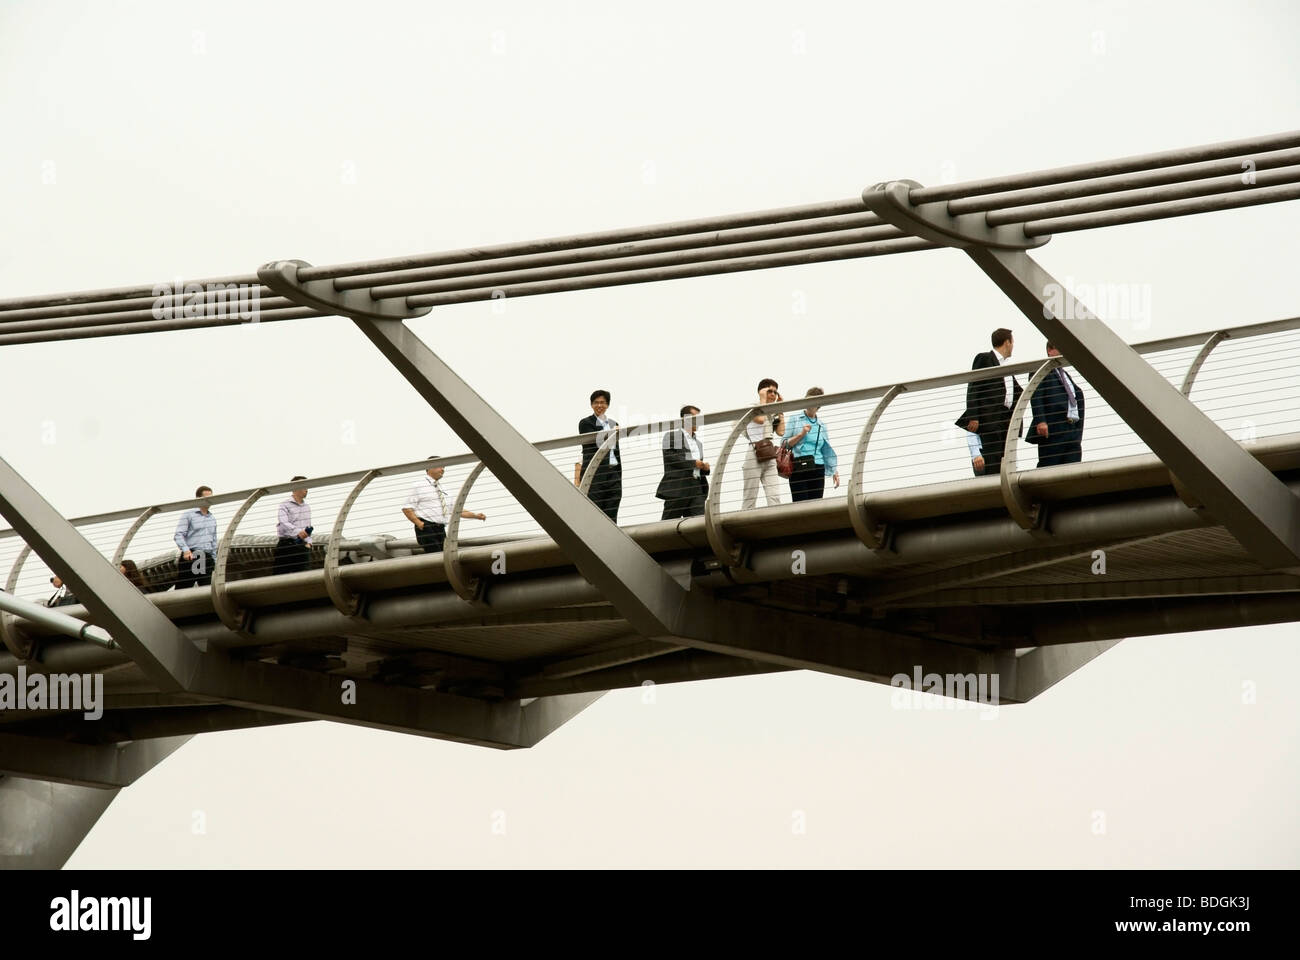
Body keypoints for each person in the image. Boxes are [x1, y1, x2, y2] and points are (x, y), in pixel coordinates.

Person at [956, 327, 1023, 476]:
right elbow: (974, 386)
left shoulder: (1006, 367)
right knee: (992, 466)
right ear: (1007, 342)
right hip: (990, 421)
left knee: (1005, 465)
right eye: (1012, 342)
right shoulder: (985, 358)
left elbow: (1017, 393)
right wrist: (973, 415)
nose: (1013, 346)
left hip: (1004, 423)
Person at [402, 456, 487, 554]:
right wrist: (420, 524)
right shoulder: (418, 485)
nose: (442, 469)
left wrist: (475, 516)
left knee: (444, 556)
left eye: (444, 467)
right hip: (427, 527)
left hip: (440, 529)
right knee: (435, 557)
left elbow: (456, 510)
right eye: (440, 466)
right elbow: (407, 508)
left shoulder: (444, 489)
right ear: (429, 467)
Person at [1026, 341, 1086, 467]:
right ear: (1050, 350)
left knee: (1073, 471)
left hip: (1072, 433)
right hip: (1053, 430)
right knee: (1049, 469)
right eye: (1060, 349)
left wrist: (1078, 433)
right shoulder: (1041, 371)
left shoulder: (1065, 375)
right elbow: (1036, 396)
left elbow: (1077, 396)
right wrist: (1040, 421)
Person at [781, 387, 840, 501]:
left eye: (814, 401)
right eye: (808, 400)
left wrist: (834, 471)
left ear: (819, 405)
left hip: (818, 467)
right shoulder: (795, 419)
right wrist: (801, 434)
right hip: (798, 466)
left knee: (816, 506)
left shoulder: (821, 425)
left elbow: (826, 450)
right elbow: (784, 444)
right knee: (800, 505)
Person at [656, 406, 710, 519]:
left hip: (697, 488)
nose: (699, 422)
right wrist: (693, 463)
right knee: (667, 527)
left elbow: (696, 466)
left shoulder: (699, 443)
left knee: (699, 526)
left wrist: (705, 468)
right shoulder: (671, 436)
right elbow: (670, 456)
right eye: (696, 418)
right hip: (678, 488)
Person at [578, 389, 622, 521]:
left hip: (613, 474)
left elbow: (616, 451)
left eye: (602, 402)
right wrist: (611, 433)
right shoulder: (586, 423)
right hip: (595, 475)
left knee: (612, 516)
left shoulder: (614, 424)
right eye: (596, 402)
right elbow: (596, 443)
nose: (599, 405)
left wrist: (618, 475)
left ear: (607, 405)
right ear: (591, 405)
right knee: (594, 514)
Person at [741, 378, 785, 509]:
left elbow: (781, 432)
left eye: (775, 392)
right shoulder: (753, 407)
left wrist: (781, 409)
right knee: (750, 496)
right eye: (770, 391)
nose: (773, 394)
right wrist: (762, 399)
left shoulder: (772, 411)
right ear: (762, 391)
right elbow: (760, 420)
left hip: (769, 454)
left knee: (774, 496)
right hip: (754, 452)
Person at [173, 485, 218, 589]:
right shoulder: (188, 514)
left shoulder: (212, 518)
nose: (209, 500)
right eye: (206, 498)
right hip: (192, 556)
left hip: (207, 558)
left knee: (208, 590)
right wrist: (186, 551)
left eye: (211, 497)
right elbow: (178, 535)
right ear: (198, 499)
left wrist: (215, 560)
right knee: (183, 590)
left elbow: (214, 541)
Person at [273, 476, 313, 576]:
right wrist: (298, 532)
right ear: (295, 488)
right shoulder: (284, 505)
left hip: (302, 546)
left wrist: (309, 543)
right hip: (286, 545)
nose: (307, 490)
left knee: (304, 578)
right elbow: (283, 523)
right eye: (304, 486)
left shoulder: (307, 507)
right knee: (279, 579)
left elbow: (308, 526)